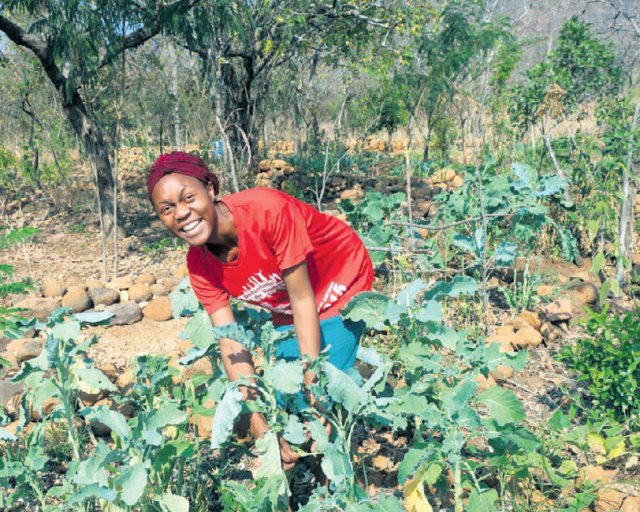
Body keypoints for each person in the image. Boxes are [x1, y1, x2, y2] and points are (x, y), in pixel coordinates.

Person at [147, 151, 373, 469]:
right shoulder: (199, 265)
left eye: (188, 198)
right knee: (283, 403)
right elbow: (230, 342)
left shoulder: (266, 210)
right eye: (167, 209)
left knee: (324, 393)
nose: (181, 213)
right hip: (285, 298)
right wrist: (257, 422)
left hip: (339, 277)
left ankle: (335, 488)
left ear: (210, 189)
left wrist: (314, 388)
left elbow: (304, 301)